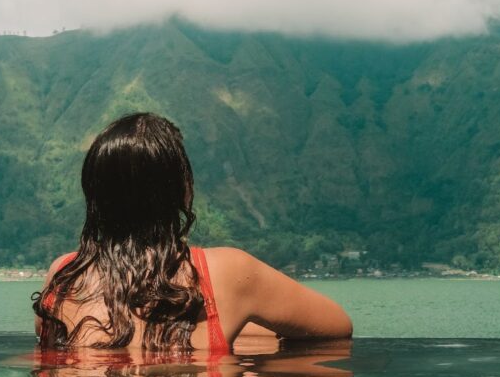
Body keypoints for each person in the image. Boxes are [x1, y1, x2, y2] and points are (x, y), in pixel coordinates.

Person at [32, 112, 352, 353]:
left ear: (93, 195)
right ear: (183, 190)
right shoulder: (228, 273)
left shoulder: (63, 276)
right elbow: (337, 326)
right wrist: (239, 323)